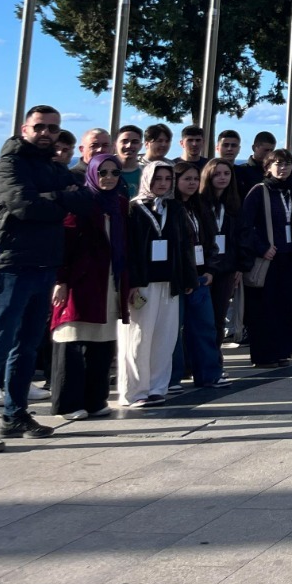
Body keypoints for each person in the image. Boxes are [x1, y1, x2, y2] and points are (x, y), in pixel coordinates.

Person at [0, 105, 91, 445]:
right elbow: (25, 206)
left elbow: (85, 200)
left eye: (53, 128)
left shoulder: (54, 167)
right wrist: (61, 200)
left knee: (27, 347)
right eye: (40, 127)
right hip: (11, 266)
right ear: (24, 129)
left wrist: (52, 198)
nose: (46, 133)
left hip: (45, 265)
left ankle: (14, 415)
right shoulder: (8, 166)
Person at [50, 155, 128, 420]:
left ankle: (95, 399)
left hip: (109, 281)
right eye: (103, 172)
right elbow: (64, 242)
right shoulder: (80, 202)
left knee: (102, 342)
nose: (109, 178)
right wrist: (61, 280)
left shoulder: (119, 204)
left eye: (115, 173)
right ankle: (68, 403)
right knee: (72, 339)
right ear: (92, 173)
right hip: (80, 282)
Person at [118, 160, 195, 405]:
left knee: (165, 337)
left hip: (169, 283)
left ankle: (157, 387)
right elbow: (128, 248)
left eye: (167, 179)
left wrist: (188, 277)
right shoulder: (133, 209)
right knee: (138, 337)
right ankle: (134, 391)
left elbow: (184, 245)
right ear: (147, 179)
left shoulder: (175, 208)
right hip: (143, 283)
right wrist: (131, 282)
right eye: (157, 179)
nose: (163, 184)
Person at [239, 149, 292, 369]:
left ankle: (283, 352)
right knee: (265, 308)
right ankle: (264, 355)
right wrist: (262, 247)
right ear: (267, 167)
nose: (283, 168)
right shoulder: (259, 191)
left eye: (287, 164)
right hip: (268, 259)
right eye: (278, 164)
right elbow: (245, 225)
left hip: (289, 258)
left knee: (287, 306)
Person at [173, 162, 225, 387]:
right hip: (179, 280)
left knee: (205, 328)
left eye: (195, 179)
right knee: (173, 332)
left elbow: (212, 241)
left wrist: (211, 270)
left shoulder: (200, 207)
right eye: (187, 179)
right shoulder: (170, 208)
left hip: (202, 277)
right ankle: (173, 377)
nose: (192, 183)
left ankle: (209, 375)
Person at [197, 157, 241, 343]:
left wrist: (239, 266)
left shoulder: (233, 203)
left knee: (219, 316)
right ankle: (199, 357)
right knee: (202, 317)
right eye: (217, 174)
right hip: (204, 267)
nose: (222, 178)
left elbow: (239, 238)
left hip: (227, 267)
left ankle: (215, 355)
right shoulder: (199, 203)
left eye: (226, 174)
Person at [238, 131, 274, 197]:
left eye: (271, 150)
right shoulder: (240, 171)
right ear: (254, 148)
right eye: (266, 150)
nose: (269, 154)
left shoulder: (273, 172)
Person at [115, 124, 145, 198]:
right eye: (124, 141)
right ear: (115, 144)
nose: (129, 146)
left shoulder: (146, 173)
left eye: (134, 142)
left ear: (141, 146)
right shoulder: (104, 172)